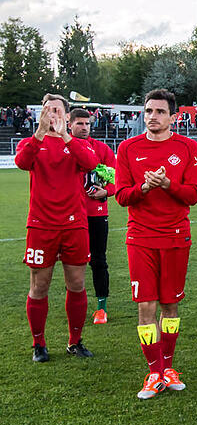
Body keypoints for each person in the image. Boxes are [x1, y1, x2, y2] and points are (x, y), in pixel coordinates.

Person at [115, 89, 197, 399]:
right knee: (146, 306)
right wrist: (144, 187)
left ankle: (168, 367)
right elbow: (122, 195)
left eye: (160, 112)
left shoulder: (188, 147)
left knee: (170, 305)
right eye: (149, 111)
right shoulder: (127, 148)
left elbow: (193, 194)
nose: (153, 116)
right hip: (140, 237)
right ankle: (153, 373)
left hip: (176, 237)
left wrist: (167, 184)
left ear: (172, 117)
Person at [15, 94, 99, 363]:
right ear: (41, 114)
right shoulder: (32, 143)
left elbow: (89, 164)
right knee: (39, 286)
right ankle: (38, 344)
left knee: (76, 284)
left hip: (74, 225)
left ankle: (75, 341)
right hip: (41, 226)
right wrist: (40, 132)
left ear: (66, 115)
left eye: (58, 110)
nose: (53, 114)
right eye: (48, 110)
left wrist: (66, 137)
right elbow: (22, 162)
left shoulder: (76, 143)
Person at [68, 108, 117, 325]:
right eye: (79, 124)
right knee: (72, 263)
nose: (84, 128)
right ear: (69, 124)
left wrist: (106, 191)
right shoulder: (63, 148)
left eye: (87, 124)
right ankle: (76, 304)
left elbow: (118, 178)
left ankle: (101, 308)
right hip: (69, 215)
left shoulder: (102, 149)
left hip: (96, 214)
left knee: (99, 260)